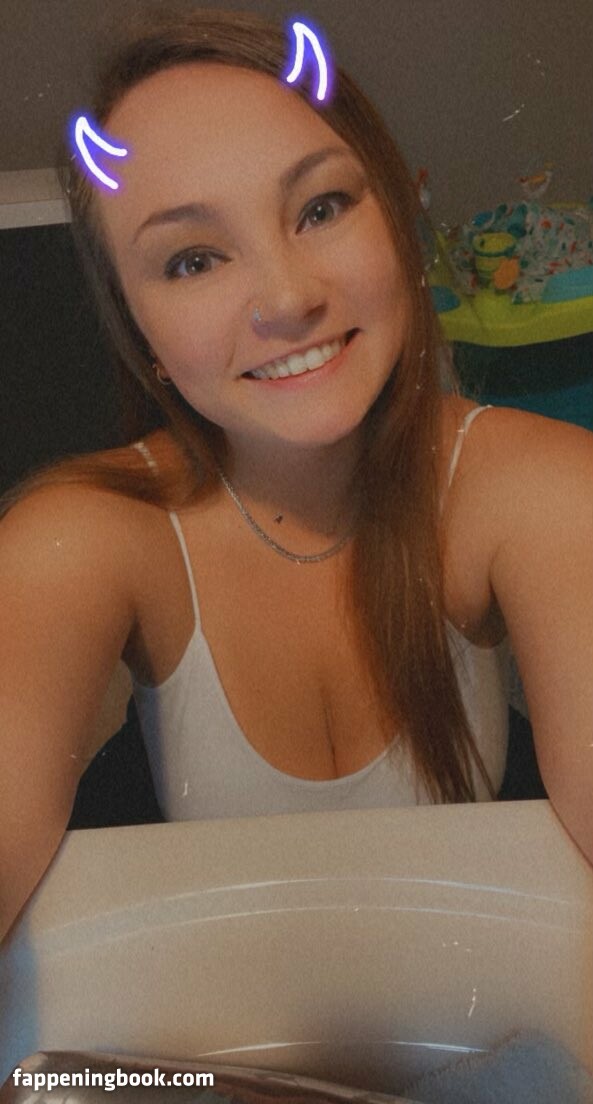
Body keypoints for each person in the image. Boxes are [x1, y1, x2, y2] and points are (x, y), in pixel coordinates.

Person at [1, 6, 592, 944]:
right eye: (193, 260)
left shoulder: (539, 485)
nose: (286, 297)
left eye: (321, 208)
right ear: (140, 335)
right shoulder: (77, 536)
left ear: (395, 217)